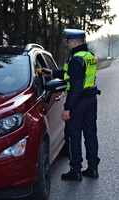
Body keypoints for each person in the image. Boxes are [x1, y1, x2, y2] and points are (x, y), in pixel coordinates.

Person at [42, 28, 100, 181]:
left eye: (69, 42)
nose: (68, 44)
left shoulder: (76, 59)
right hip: (91, 98)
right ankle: (93, 168)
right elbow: (71, 73)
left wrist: (67, 108)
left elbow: (76, 85)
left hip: (78, 101)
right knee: (90, 134)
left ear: (74, 42)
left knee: (74, 135)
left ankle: (76, 170)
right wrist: (53, 73)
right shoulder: (89, 56)